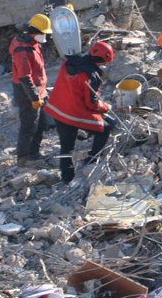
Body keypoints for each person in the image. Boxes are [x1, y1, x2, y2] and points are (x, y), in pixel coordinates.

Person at [45, 42, 116, 184]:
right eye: (104, 62)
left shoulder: (69, 62)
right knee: (105, 128)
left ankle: (66, 178)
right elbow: (91, 103)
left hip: (57, 109)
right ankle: (92, 160)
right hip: (73, 113)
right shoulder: (91, 76)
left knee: (66, 147)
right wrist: (105, 107)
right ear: (102, 60)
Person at [10, 14, 53, 167]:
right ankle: (24, 158)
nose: (45, 36)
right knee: (28, 126)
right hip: (27, 92)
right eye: (43, 33)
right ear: (34, 31)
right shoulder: (23, 50)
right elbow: (24, 77)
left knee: (40, 124)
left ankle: (34, 153)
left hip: (38, 90)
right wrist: (34, 98)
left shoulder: (31, 43)